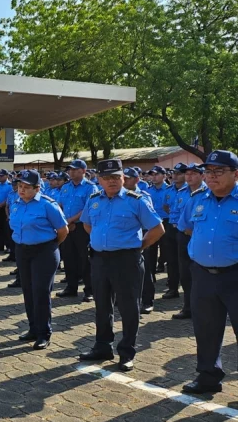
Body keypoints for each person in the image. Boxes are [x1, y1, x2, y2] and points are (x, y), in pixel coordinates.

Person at [78, 159, 164, 372]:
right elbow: (87, 224)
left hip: (127, 261)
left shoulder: (136, 200)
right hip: (99, 259)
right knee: (102, 306)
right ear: (99, 180)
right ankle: (102, 347)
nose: (112, 181)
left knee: (128, 308)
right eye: (106, 178)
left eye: (116, 177)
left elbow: (157, 229)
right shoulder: (94, 199)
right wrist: (102, 241)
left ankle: (127, 352)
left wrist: (137, 247)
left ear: (123, 178)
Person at [176, 150, 238, 394]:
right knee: (206, 329)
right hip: (202, 275)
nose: (211, 177)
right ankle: (208, 377)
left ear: (235, 174)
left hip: (235, 276)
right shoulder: (198, 199)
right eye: (208, 171)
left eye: (219, 171)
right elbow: (186, 227)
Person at [9, 170, 69, 350]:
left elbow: (63, 230)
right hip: (22, 250)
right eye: (20, 186)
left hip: (44, 251)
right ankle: (33, 328)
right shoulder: (16, 203)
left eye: (26, 187)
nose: (22, 190)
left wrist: (49, 246)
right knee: (27, 290)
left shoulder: (47, 205)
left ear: (37, 188)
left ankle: (44, 333)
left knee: (41, 292)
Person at [56, 159, 97, 302]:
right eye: (70, 170)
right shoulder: (66, 187)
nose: (71, 172)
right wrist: (64, 222)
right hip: (67, 226)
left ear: (83, 171)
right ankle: (71, 287)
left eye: (74, 169)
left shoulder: (90, 188)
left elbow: (88, 208)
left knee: (85, 258)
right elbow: (60, 205)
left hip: (82, 226)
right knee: (68, 257)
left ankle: (89, 290)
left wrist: (71, 220)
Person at [170, 163, 206, 320]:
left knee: (202, 274)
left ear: (202, 175)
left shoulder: (208, 193)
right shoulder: (182, 192)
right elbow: (176, 213)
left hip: (202, 239)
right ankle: (188, 307)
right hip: (184, 235)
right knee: (185, 273)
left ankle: (204, 308)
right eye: (187, 173)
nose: (189, 176)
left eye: (194, 173)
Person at [140, 165, 173, 312]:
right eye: (152, 174)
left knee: (169, 255)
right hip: (150, 225)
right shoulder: (148, 191)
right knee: (149, 256)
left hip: (166, 222)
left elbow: (169, 207)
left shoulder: (169, 190)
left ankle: (172, 284)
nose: (153, 177)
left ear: (164, 176)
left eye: (157, 174)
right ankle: (150, 281)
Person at [161, 163, 188, 300]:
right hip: (171, 227)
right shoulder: (169, 190)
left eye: (179, 173)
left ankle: (188, 292)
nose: (175, 176)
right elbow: (166, 207)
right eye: (174, 173)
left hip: (184, 231)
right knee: (171, 260)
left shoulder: (191, 191)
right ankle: (173, 288)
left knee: (184, 262)